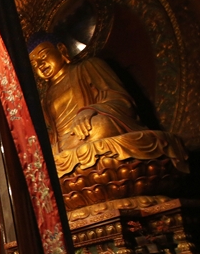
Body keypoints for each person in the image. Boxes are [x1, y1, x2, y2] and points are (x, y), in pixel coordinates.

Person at [26, 33, 187, 184]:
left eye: (43, 55)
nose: (40, 64)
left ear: (61, 50)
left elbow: (122, 100)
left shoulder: (88, 66)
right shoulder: (45, 98)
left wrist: (90, 110)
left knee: (99, 126)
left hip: (94, 135)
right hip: (68, 147)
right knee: (41, 159)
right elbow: (53, 132)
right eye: (34, 64)